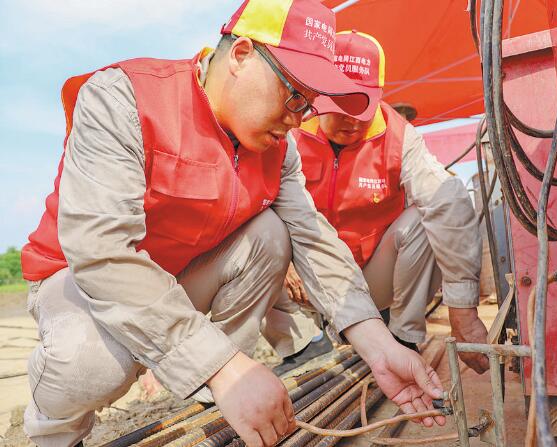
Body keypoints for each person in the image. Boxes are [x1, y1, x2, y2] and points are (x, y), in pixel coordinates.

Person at [20, 2, 446, 446]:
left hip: (177, 278)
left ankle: (210, 385)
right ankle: (53, 429)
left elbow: (314, 240)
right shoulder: (124, 97)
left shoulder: (278, 150)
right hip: (80, 280)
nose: (299, 119)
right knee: (94, 364)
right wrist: (224, 368)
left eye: (309, 106)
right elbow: (103, 254)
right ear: (242, 54)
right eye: (295, 95)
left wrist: (380, 346)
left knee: (270, 234)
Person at [267, 30, 490, 376]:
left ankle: (402, 335)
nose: (351, 119)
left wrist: (462, 307)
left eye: (362, 105)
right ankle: (301, 343)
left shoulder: (398, 136)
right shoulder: (292, 131)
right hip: (305, 283)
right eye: (340, 104)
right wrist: (290, 266)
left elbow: (449, 202)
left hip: (371, 278)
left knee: (427, 213)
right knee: (263, 228)